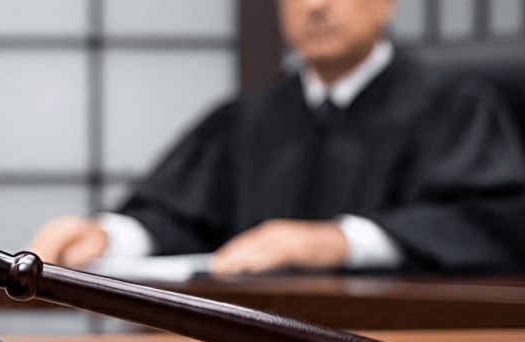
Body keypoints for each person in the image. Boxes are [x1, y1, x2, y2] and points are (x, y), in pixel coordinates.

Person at [30, 0, 525, 275]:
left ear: (387, 5)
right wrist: (111, 236)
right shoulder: (245, 119)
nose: (316, 6)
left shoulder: (453, 106)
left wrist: (340, 242)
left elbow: (493, 221)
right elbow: (183, 216)